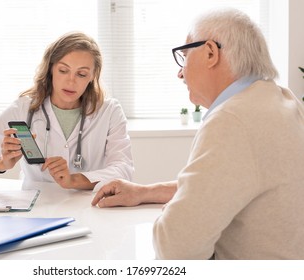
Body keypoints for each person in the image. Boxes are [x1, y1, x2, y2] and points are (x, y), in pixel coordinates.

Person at [92, 8, 304, 259]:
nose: (180, 72)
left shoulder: (232, 120)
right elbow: (228, 185)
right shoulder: (281, 100)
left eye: (184, 56)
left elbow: (175, 249)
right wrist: (144, 192)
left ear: (211, 52)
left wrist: (174, 213)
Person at [0, 32, 134, 190]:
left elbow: (124, 170)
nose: (71, 81)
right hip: (36, 210)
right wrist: (0, 164)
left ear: (93, 76)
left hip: (90, 207)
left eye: (81, 74)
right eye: (63, 70)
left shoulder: (109, 111)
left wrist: (75, 180)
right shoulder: (23, 109)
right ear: (51, 69)